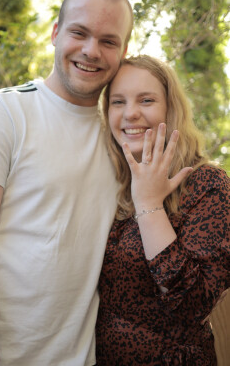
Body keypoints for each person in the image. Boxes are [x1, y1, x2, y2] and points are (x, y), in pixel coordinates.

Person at [0, 0, 133, 366]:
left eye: (108, 41)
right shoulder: (3, 113)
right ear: (55, 33)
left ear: (123, 52)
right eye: (79, 32)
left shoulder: (121, 138)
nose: (91, 50)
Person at [96, 55, 230, 365]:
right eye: (118, 102)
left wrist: (149, 204)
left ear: (171, 108)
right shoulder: (112, 181)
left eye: (146, 100)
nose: (131, 113)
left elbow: (192, 305)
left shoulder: (207, 185)